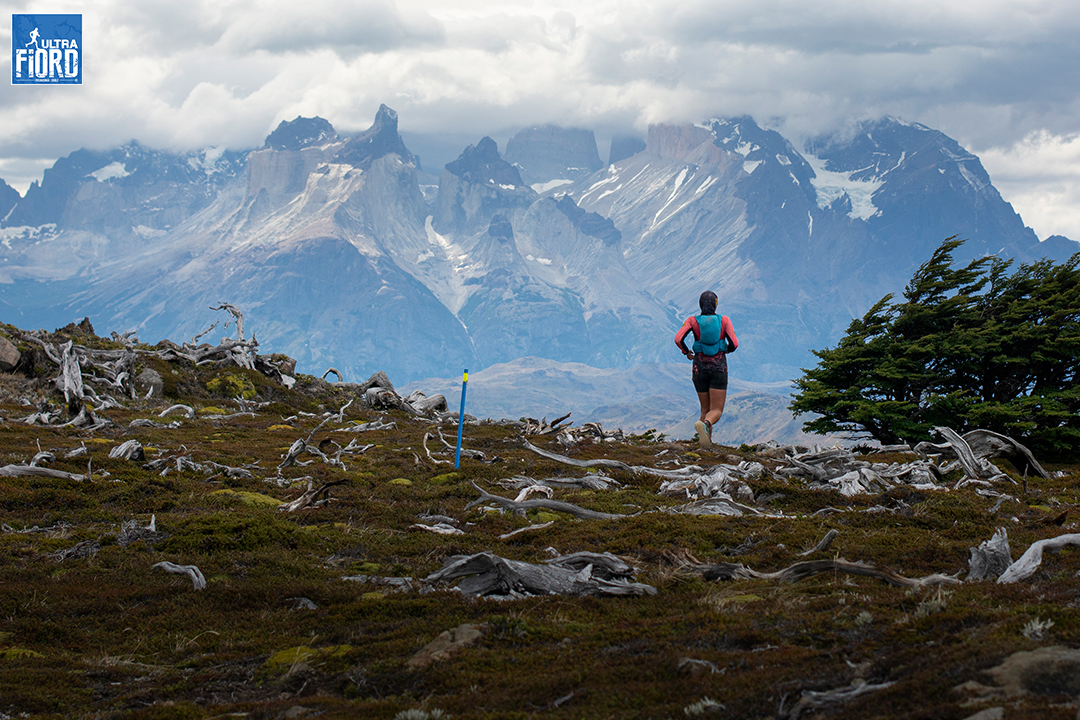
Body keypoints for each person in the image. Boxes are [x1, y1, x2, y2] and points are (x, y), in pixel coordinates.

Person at [674, 290, 738, 447]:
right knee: (716, 410)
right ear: (716, 304)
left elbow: (678, 338)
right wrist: (726, 350)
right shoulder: (724, 320)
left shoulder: (692, 321)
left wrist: (686, 352)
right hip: (719, 368)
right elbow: (734, 343)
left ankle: (705, 444)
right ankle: (706, 425)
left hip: (699, 368)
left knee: (705, 408)